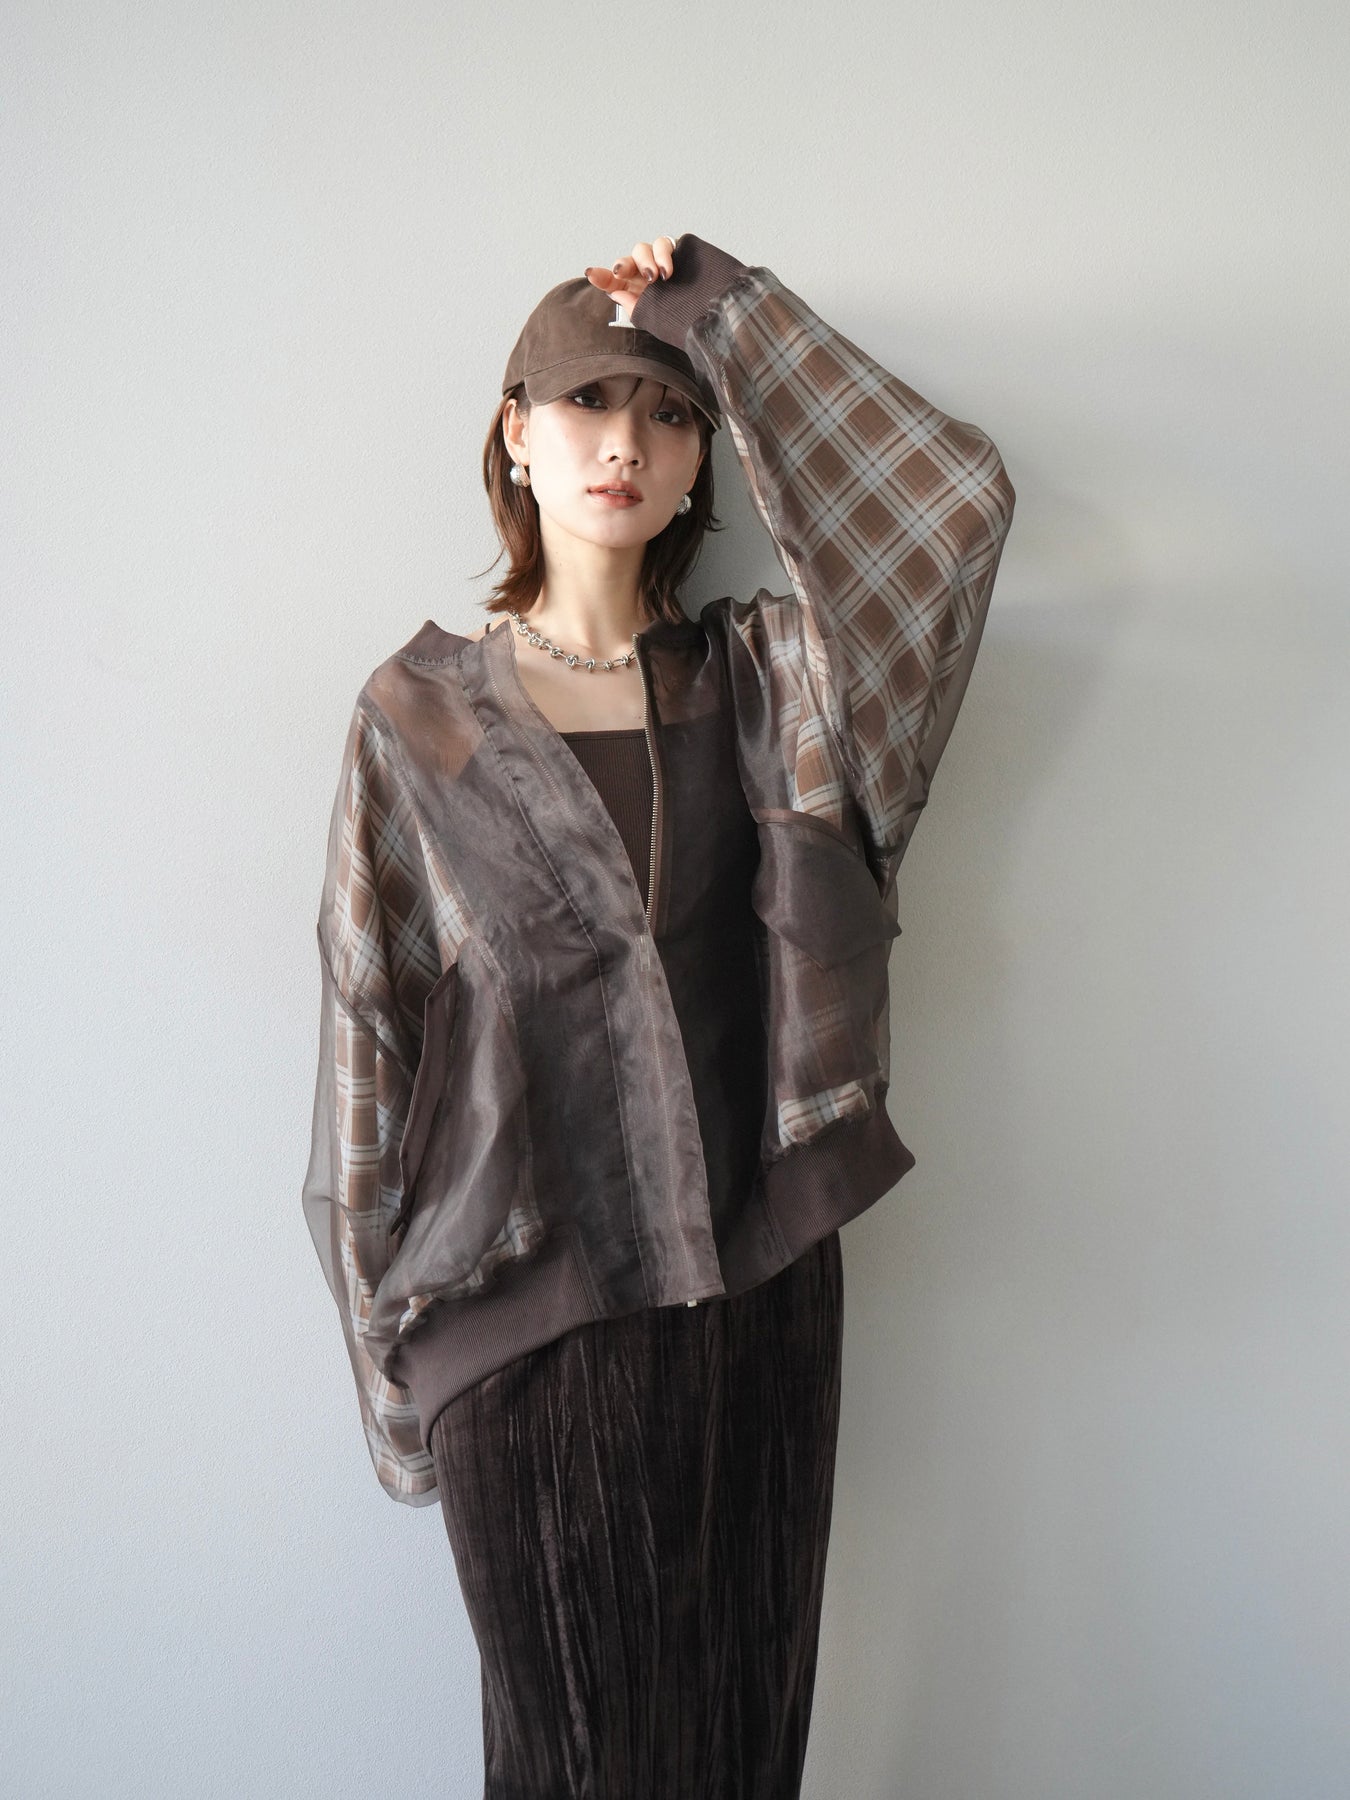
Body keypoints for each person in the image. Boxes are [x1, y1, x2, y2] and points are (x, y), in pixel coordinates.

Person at [301, 232, 1016, 1798]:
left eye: (669, 411)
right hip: (522, 1313)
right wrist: (390, 1383)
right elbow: (369, 1041)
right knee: (571, 1764)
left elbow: (955, 507)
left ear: (709, 456)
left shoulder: (776, 687)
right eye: (586, 401)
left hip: (757, 1291)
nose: (623, 441)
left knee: (738, 1755)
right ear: (514, 431)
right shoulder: (417, 720)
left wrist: (724, 313)